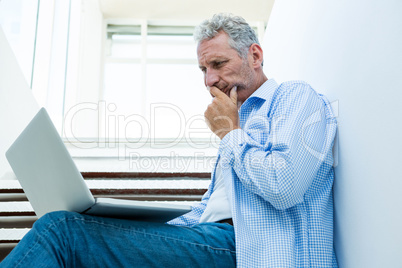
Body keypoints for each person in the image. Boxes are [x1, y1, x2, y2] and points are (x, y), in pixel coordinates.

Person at [1, 13, 337, 267]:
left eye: (218, 64)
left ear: (255, 55)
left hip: (252, 249)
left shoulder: (296, 98)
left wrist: (229, 134)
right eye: (203, 69)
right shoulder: (238, 122)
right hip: (214, 239)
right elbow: (207, 211)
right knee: (78, 228)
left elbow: (285, 187)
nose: (210, 80)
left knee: (61, 232)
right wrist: (119, 223)